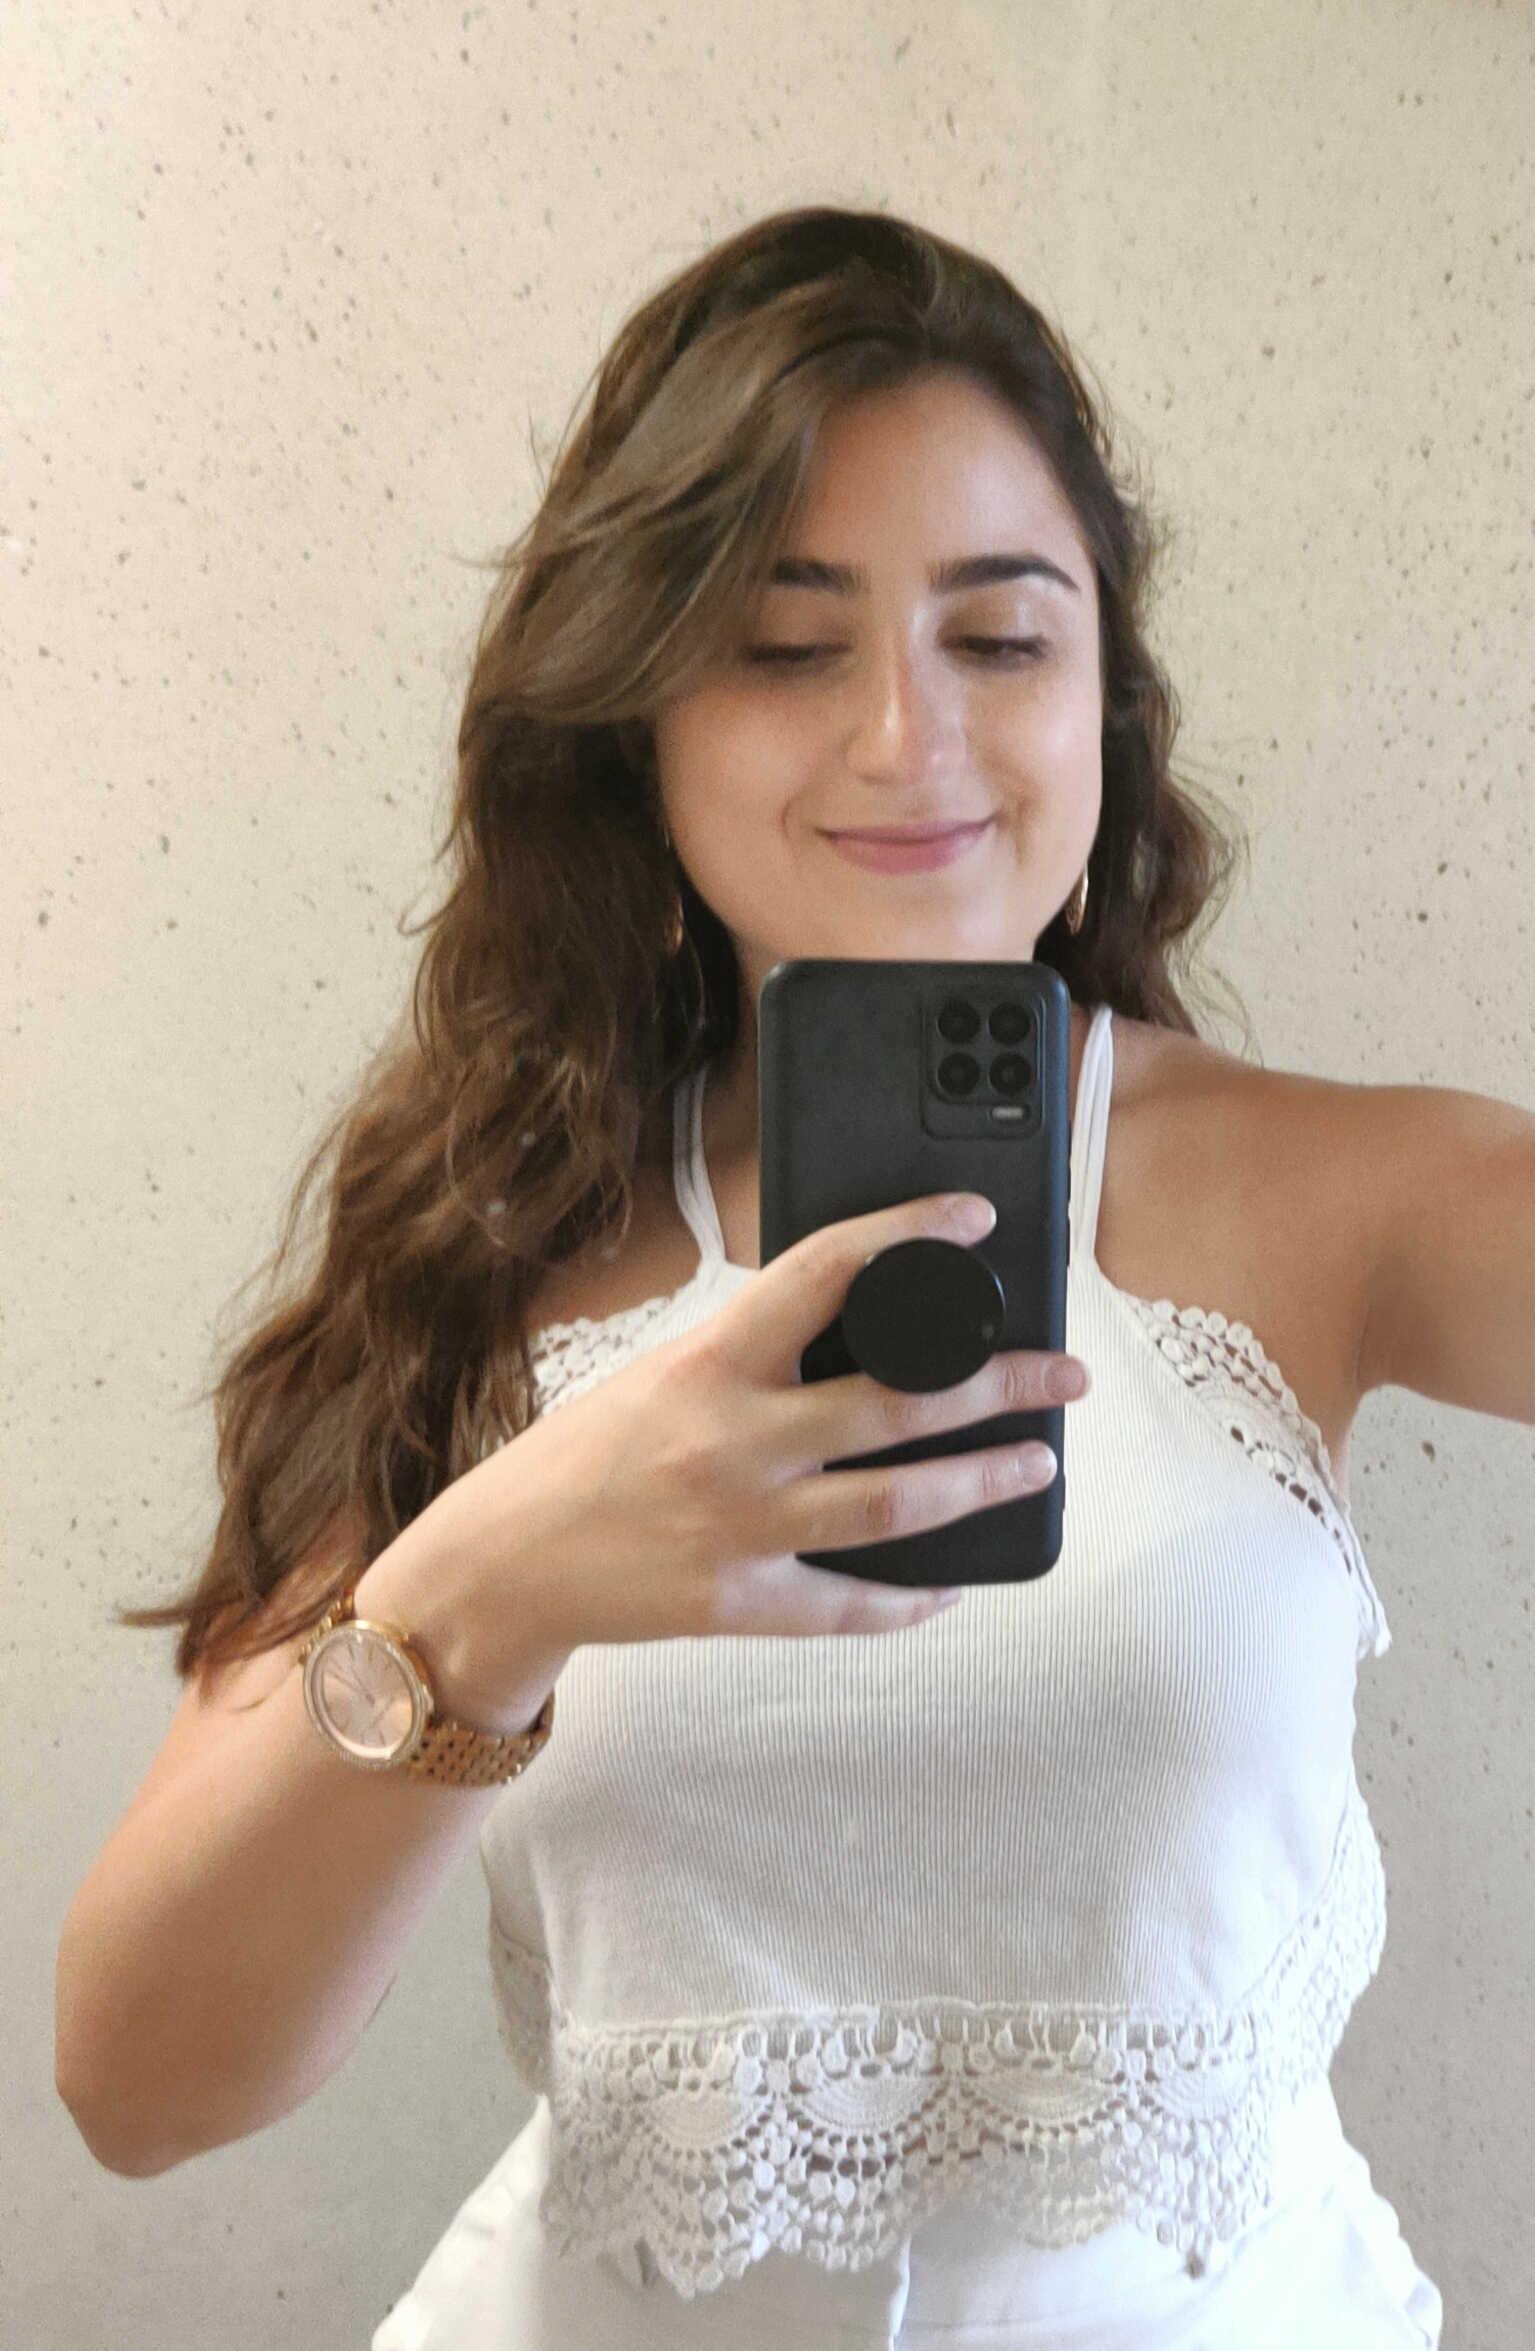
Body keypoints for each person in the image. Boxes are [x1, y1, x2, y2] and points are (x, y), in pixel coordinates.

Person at [54, 208, 1533, 2349]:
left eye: (999, 639)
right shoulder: (486, 1249)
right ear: (634, 711)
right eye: (781, 644)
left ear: (1104, 699)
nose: (905, 738)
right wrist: (487, 1596)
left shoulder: (1345, 1193)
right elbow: (141, 2085)